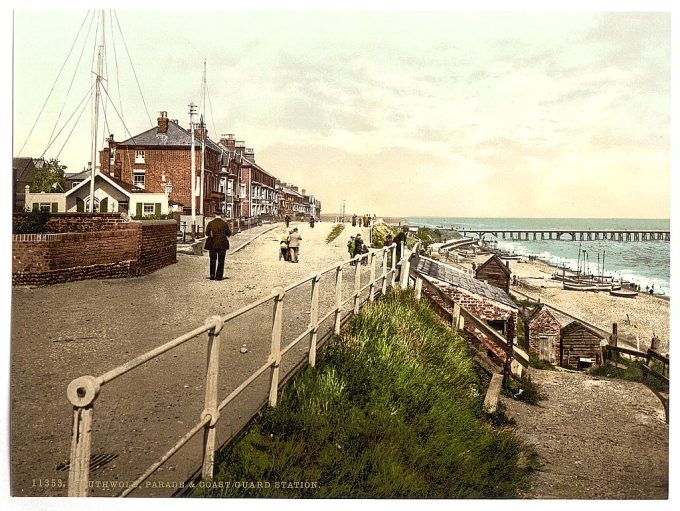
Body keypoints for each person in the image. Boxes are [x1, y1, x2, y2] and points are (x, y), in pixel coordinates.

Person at [205, 216, 232, 280]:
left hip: (212, 244)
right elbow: (229, 234)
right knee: (221, 260)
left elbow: (206, 233)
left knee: (212, 259)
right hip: (222, 244)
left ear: (215, 215)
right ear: (221, 216)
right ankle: (219, 276)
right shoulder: (224, 224)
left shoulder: (210, 223)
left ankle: (212, 275)